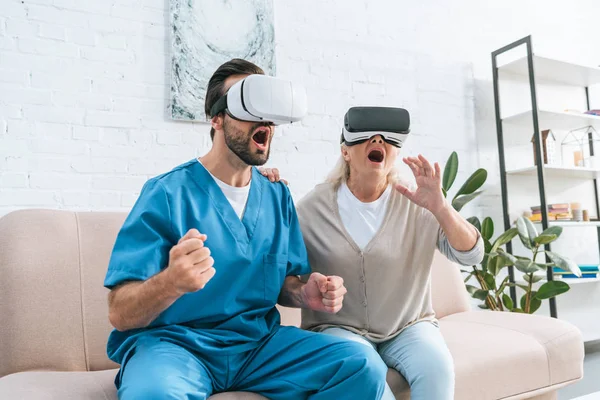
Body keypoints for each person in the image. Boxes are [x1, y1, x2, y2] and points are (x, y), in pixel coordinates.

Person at [104, 61, 388, 400]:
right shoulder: (166, 193)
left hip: (258, 346)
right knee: (152, 394)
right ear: (216, 118)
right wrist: (171, 282)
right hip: (177, 347)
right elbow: (119, 312)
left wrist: (304, 294)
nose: (263, 119)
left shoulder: (276, 195)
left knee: (361, 364)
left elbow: (286, 284)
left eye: (267, 107)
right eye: (247, 105)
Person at [260, 106, 484, 400]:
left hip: (410, 326)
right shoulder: (311, 210)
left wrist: (441, 207)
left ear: (395, 153)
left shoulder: (417, 201)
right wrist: (260, 195)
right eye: (366, 137)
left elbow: (471, 255)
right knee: (367, 376)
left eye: (388, 139)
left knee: (438, 369)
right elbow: (276, 271)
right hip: (338, 329)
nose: (378, 141)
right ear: (345, 152)